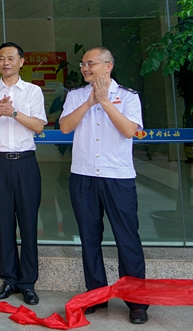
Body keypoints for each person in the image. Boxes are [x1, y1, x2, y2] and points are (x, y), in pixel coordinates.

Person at [59, 47, 148, 325]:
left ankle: (136, 301)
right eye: (83, 63)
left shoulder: (129, 96)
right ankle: (96, 294)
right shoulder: (74, 95)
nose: (85, 68)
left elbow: (130, 130)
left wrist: (105, 102)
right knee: (89, 237)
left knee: (127, 238)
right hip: (83, 175)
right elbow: (64, 127)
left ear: (108, 66)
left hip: (117, 177)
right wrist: (88, 102)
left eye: (91, 63)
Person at [0, 42, 46, 305]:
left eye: (11, 58)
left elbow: (38, 126)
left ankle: (28, 282)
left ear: (22, 62)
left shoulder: (33, 91)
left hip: (26, 163)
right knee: (4, 223)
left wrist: (13, 113)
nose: (6, 62)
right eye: (1, 58)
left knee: (28, 223)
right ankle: (8, 280)